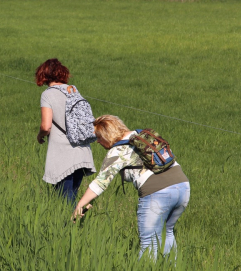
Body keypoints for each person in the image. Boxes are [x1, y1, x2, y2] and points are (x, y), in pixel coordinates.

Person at [73, 115, 190, 259]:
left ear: (106, 135)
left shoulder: (117, 151)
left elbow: (100, 183)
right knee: (168, 232)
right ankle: (170, 270)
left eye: (98, 137)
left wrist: (79, 206)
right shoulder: (142, 135)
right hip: (183, 186)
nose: (98, 141)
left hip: (158, 193)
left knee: (148, 243)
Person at [36, 58, 95, 203]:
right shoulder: (73, 91)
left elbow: (46, 126)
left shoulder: (48, 94)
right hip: (82, 152)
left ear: (43, 75)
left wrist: (40, 136)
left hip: (63, 155)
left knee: (64, 201)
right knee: (72, 197)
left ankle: (71, 218)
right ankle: (78, 216)